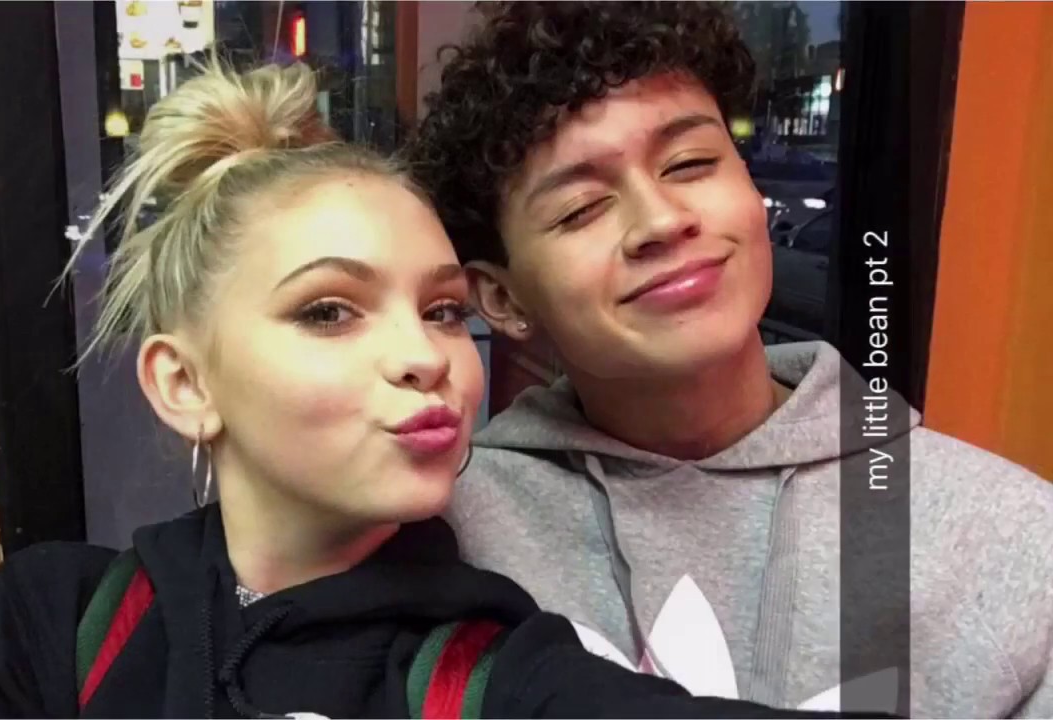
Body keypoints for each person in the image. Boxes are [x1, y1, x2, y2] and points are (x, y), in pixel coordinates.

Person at [0, 62, 873, 720]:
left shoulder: (496, 678)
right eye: (328, 311)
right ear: (184, 382)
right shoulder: (48, 627)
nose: (426, 357)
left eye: (444, 311)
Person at [406, 2, 1053, 718]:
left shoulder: (1008, 536)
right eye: (581, 208)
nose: (662, 221)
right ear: (501, 297)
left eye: (691, 164)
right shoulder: (440, 529)